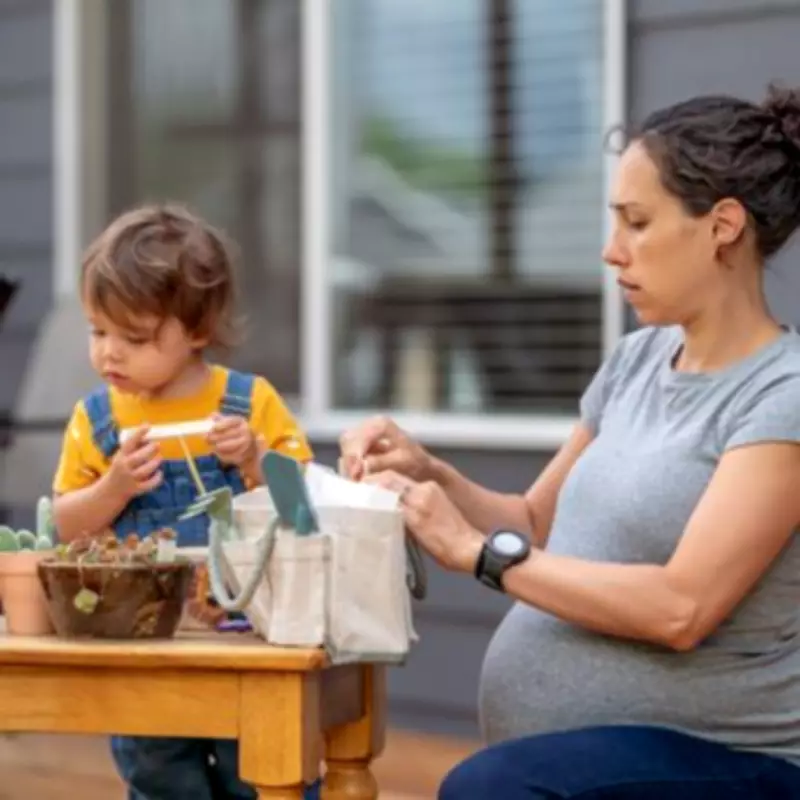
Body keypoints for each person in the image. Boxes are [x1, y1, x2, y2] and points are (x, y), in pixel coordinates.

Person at [339, 84, 800, 798]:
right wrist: (430, 472)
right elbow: (534, 523)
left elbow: (681, 609)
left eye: (637, 223)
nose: (611, 252)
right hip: (584, 760)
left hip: (735, 760)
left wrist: (476, 555)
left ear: (723, 225)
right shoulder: (637, 361)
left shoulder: (783, 395)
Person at [52, 205, 320, 800]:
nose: (109, 355)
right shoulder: (97, 420)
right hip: (143, 640)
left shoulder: (249, 404)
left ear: (198, 329)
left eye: (135, 337)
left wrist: (253, 459)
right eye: (98, 331)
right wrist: (114, 488)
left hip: (247, 638)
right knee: (158, 773)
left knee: (258, 769)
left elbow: (305, 511)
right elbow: (63, 525)